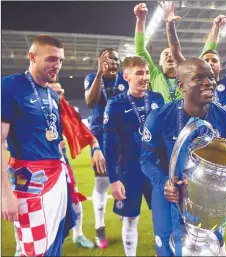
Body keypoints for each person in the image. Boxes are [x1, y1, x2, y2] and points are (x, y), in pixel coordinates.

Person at [140, 57, 226, 256]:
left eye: (211, 78)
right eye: (199, 78)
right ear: (182, 86)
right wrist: (164, 183)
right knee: (168, 251)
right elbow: (145, 160)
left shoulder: (224, 117)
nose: (209, 82)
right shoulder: (160, 117)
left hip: (207, 198)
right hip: (169, 196)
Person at [1, 35, 75, 256]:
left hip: (56, 178)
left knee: (55, 242)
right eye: (52, 59)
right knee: (35, 249)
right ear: (32, 56)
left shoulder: (52, 94)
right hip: (30, 182)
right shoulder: (10, 86)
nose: (58, 65)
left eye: (60, 60)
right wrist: (5, 195)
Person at [103, 56, 164, 256]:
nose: (145, 77)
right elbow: (108, 145)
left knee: (162, 217)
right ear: (126, 76)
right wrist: (113, 179)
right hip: (129, 171)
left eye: (146, 72)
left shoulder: (157, 99)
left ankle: (162, 252)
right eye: (139, 73)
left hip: (155, 170)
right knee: (130, 219)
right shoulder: (115, 104)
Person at [50, 82, 107, 249]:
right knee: (33, 205)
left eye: (60, 92)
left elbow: (84, 131)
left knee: (74, 198)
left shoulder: (66, 110)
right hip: (36, 164)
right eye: (54, 92)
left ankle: (79, 235)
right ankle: (21, 245)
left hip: (60, 160)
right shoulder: (31, 109)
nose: (58, 96)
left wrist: (95, 146)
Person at [84, 48, 128, 248]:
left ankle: (124, 217)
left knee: (124, 181)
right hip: (101, 139)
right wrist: (100, 74)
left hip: (123, 139)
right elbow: (90, 102)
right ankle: (99, 227)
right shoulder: (93, 77)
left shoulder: (125, 79)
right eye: (108, 58)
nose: (112, 62)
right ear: (100, 61)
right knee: (102, 184)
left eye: (116, 59)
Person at [164, 0, 226, 105]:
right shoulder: (192, 82)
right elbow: (176, 52)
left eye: (214, 60)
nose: (210, 63)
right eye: (206, 60)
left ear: (220, 66)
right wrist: (169, 24)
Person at [134, 2, 218, 103]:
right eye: (165, 54)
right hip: (162, 118)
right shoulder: (154, 75)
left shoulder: (188, 73)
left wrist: (216, 26)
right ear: (160, 62)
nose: (170, 56)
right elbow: (140, 50)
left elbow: (206, 54)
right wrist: (140, 19)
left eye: (172, 54)